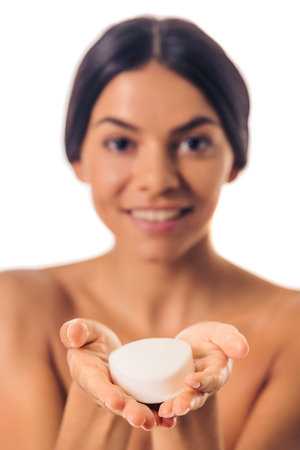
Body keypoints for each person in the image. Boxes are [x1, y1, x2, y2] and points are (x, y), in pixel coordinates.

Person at [0, 15, 299, 450]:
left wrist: (188, 406)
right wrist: (96, 401)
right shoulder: (15, 308)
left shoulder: (292, 333)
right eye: (121, 143)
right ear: (77, 157)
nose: (156, 180)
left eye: (193, 143)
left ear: (235, 157)